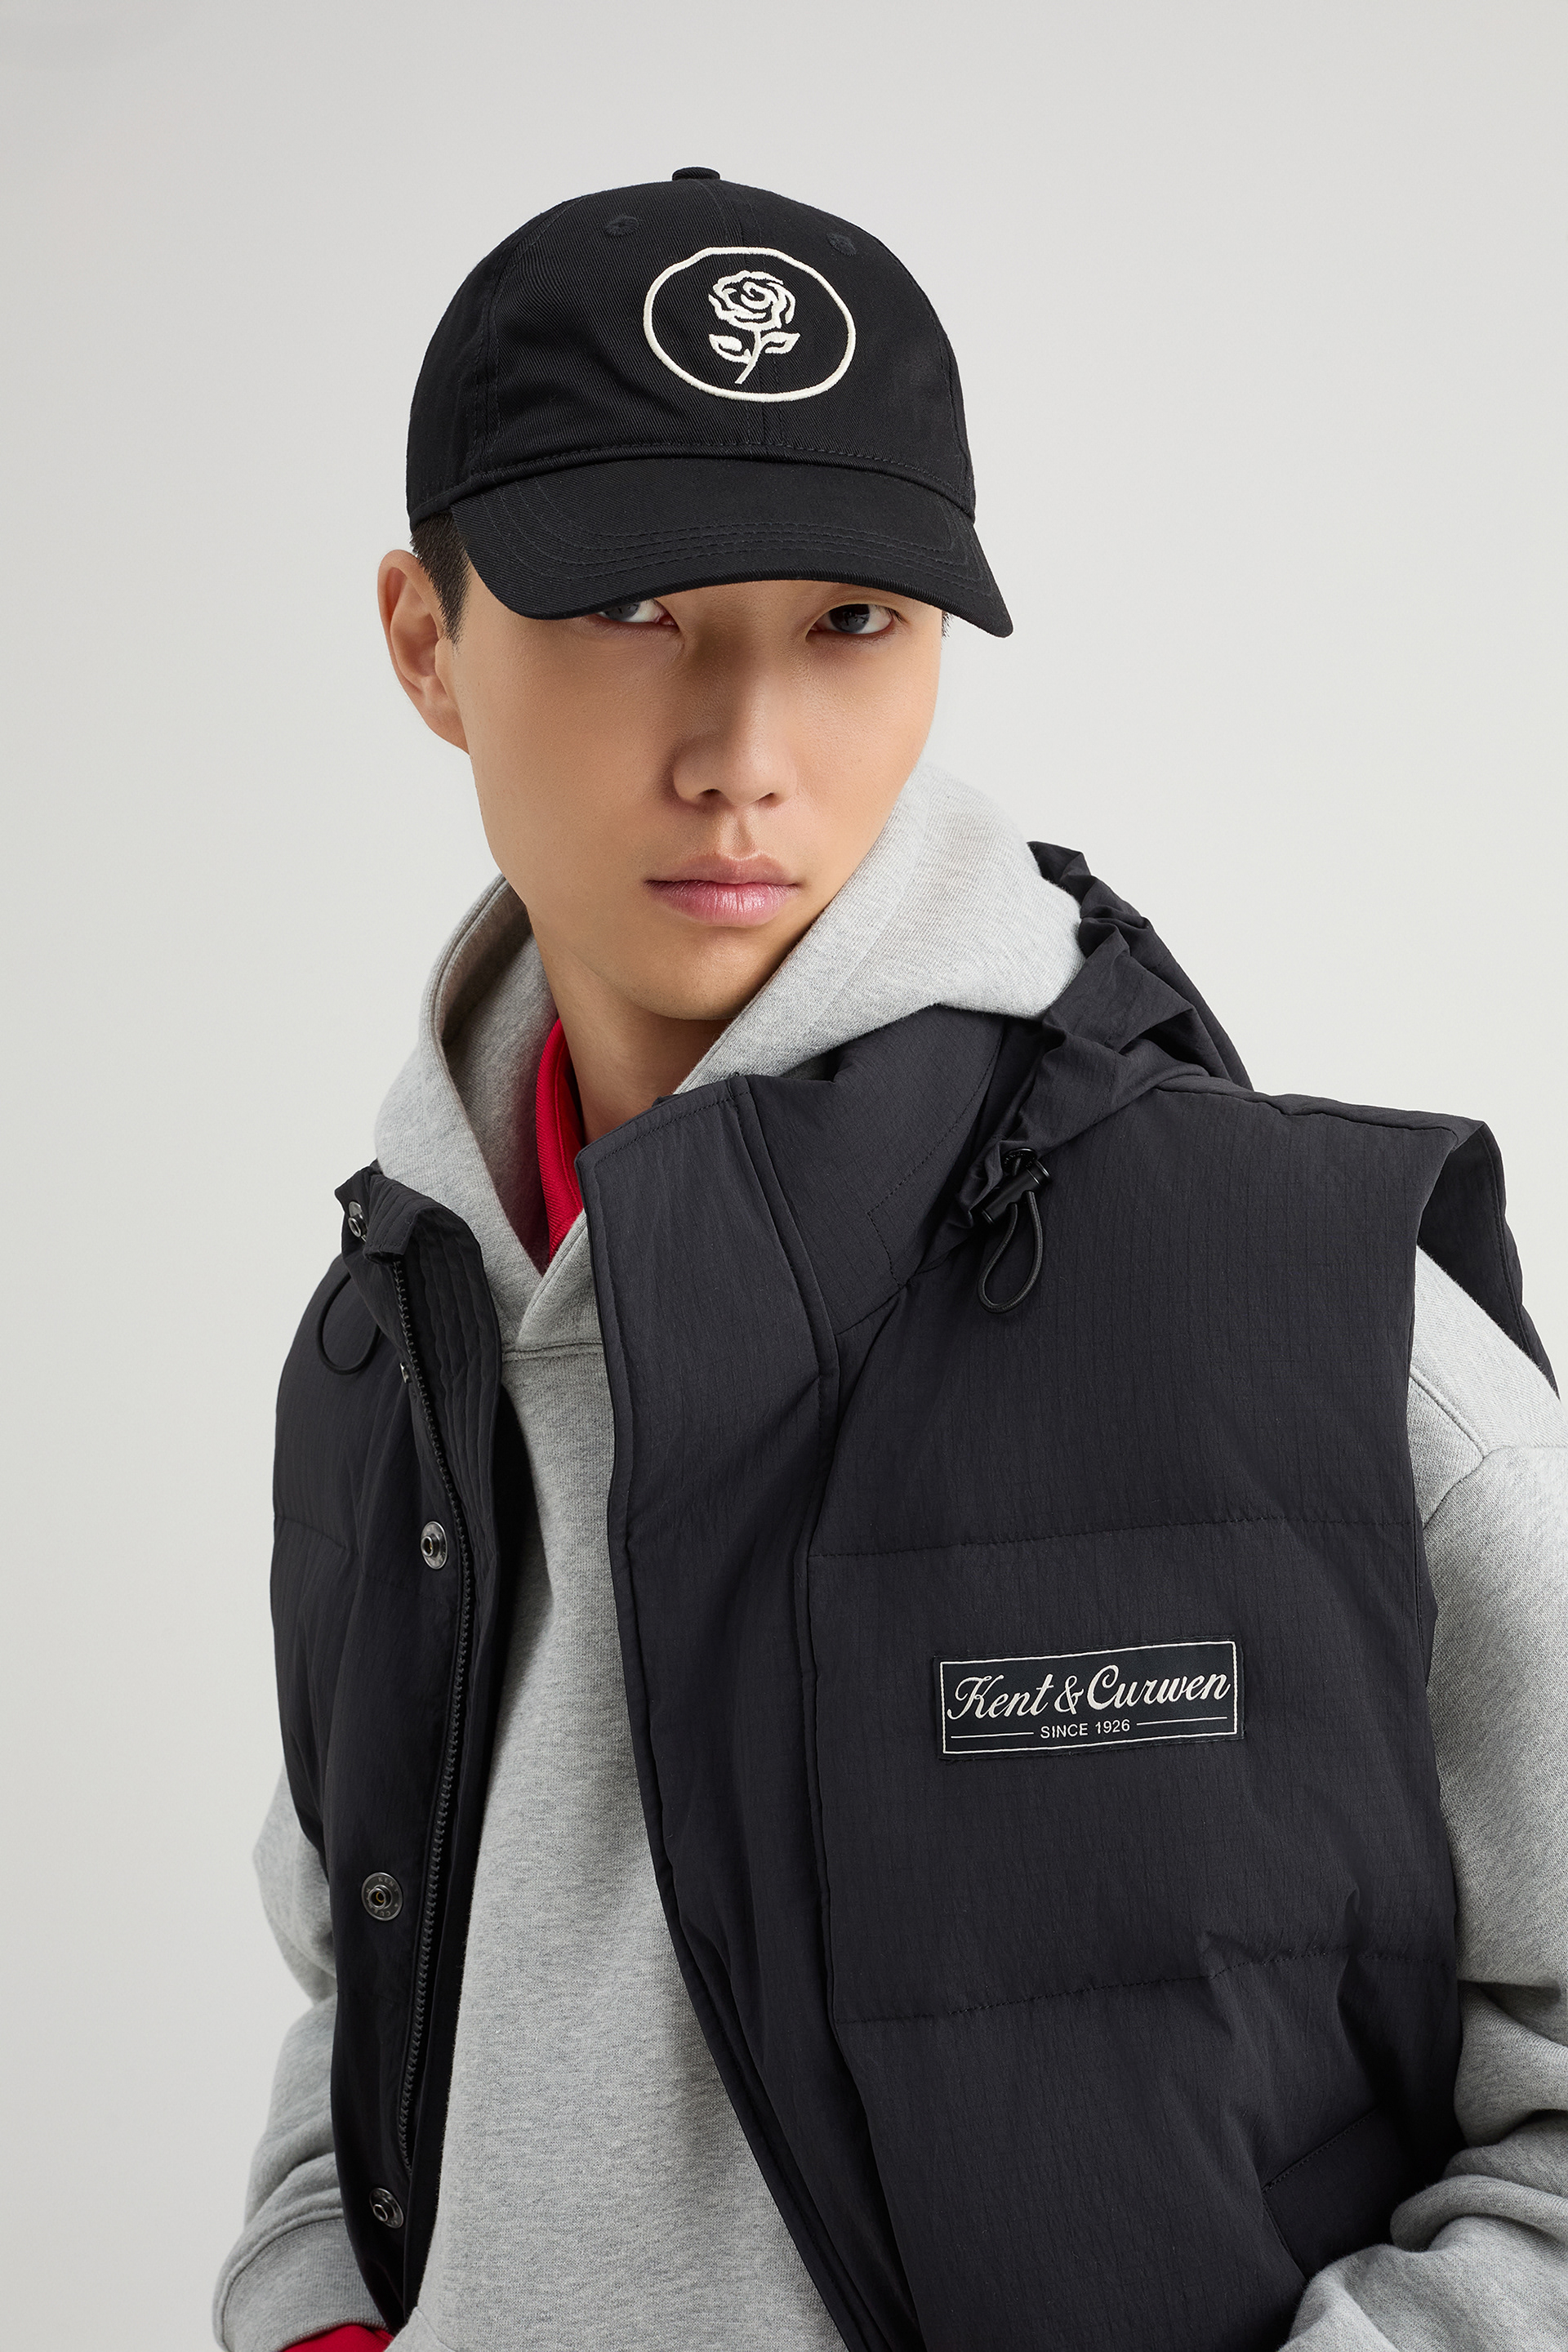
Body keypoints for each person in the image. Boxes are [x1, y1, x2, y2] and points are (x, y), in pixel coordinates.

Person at [213, 171, 1568, 2352]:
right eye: (636, 608)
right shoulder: (388, 1341)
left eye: (851, 621)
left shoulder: (1292, 1311)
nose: (745, 755)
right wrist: (317, 2313)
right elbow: (369, 1989)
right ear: (423, 642)